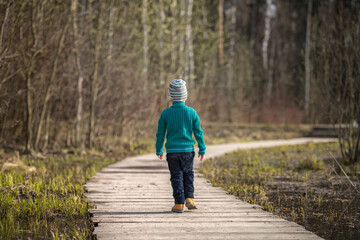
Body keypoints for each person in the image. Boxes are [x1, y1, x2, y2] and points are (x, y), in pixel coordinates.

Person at [156, 79, 206, 213]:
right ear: (185, 95)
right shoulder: (191, 112)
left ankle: (178, 203)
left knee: (176, 175)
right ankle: (189, 198)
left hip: (172, 151)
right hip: (187, 151)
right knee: (188, 174)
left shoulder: (165, 113)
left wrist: (159, 149)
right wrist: (202, 148)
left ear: (171, 96)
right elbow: (198, 132)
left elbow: (160, 134)